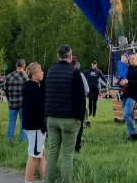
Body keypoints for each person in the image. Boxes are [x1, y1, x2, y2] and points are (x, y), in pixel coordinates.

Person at [42, 44, 85, 183]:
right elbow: (80, 97)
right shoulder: (74, 73)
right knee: (67, 154)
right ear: (70, 56)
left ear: (57, 56)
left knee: (53, 152)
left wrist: (46, 113)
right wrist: (80, 117)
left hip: (52, 118)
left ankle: (48, 180)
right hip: (69, 119)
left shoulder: (49, 71)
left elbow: (43, 95)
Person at [22, 62, 46, 183]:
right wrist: (42, 125)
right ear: (33, 75)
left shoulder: (29, 86)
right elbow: (36, 109)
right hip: (35, 126)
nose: (42, 73)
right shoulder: (34, 89)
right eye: (40, 71)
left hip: (31, 125)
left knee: (41, 153)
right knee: (34, 155)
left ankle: (46, 179)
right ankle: (28, 181)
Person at [120, 53, 137, 141]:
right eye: (130, 59)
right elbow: (124, 79)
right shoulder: (128, 68)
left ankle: (133, 133)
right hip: (125, 94)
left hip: (133, 95)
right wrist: (120, 82)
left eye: (133, 59)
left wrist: (128, 82)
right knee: (129, 116)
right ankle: (130, 135)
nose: (131, 60)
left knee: (125, 114)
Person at [5, 59, 28, 142]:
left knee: (11, 122)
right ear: (23, 66)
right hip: (23, 103)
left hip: (12, 102)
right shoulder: (25, 76)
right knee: (23, 122)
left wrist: (9, 99)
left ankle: (9, 139)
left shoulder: (9, 76)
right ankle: (24, 140)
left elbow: (6, 91)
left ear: (16, 66)